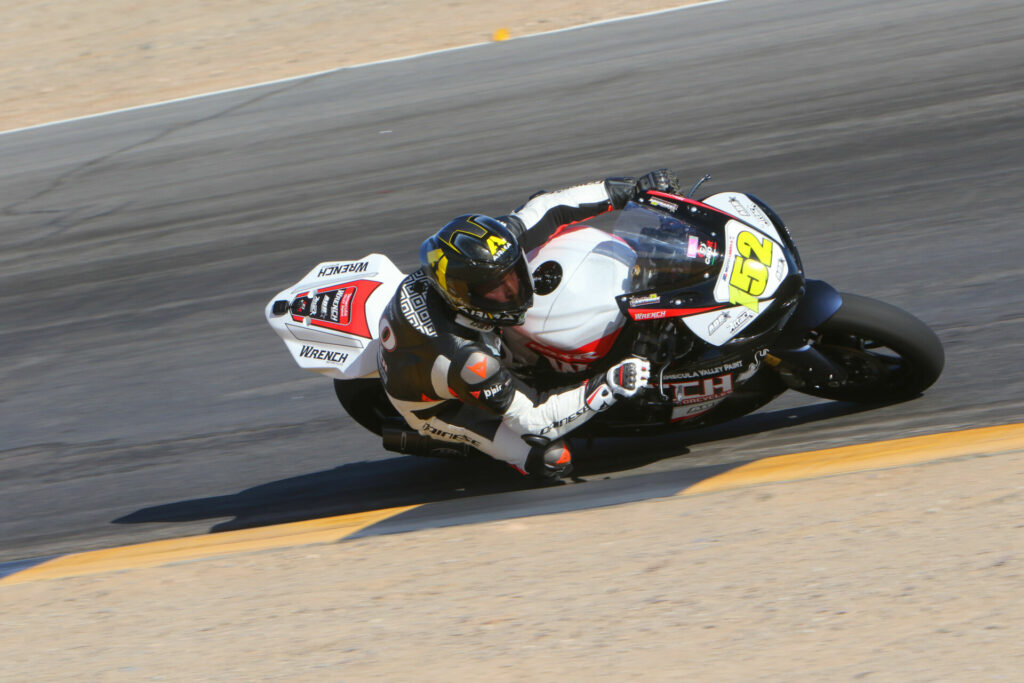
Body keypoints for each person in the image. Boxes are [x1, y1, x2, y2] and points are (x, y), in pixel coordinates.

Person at [376, 169, 681, 480]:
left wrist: (630, 190)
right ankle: (456, 440)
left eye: (514, 274)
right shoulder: (470, 360)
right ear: (462, 296)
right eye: (497, 288)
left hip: (435, 338)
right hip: (437, 405)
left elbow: (551, 206)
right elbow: (533, 422)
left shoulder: (491, 250)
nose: (514, 290)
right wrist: (606, 386)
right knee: (550, 458)